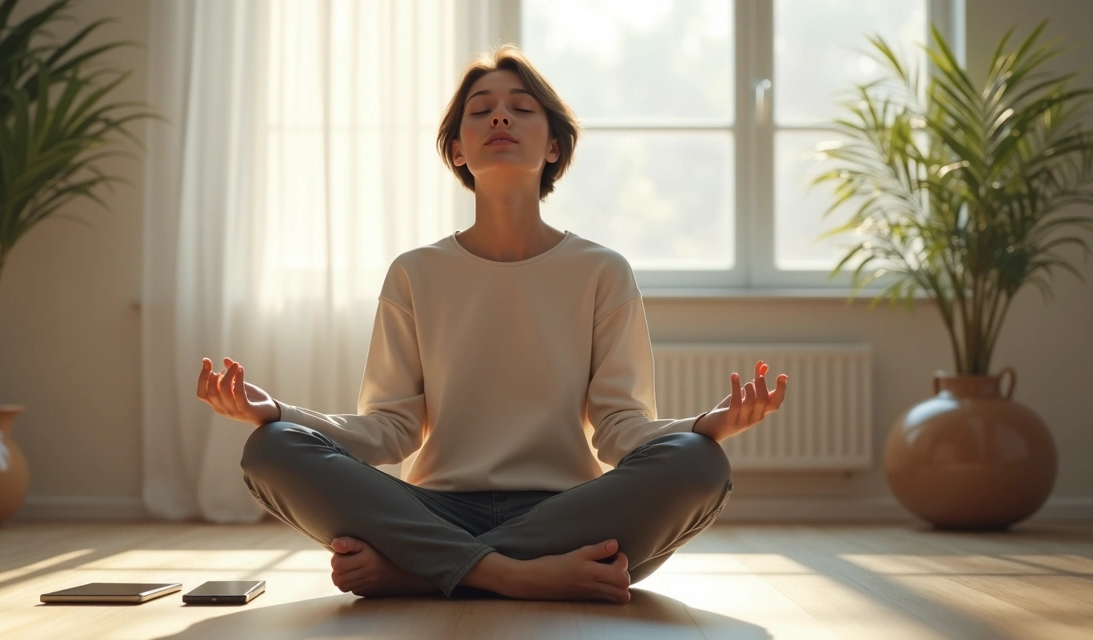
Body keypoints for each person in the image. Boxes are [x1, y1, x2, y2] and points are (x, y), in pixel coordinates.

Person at [196, 44, 788, 604]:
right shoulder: (415, 273)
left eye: (521, 108)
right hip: (434, 510)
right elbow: (390, 430)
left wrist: (704, 424)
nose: (500, 117)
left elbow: (618, 429)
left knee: (699, 462)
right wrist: (277, 413)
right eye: (481, 111)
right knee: (271, 450)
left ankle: (425, 574)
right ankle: (513, 575)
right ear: (457, 150)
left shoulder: (603, 272)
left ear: (553, 146)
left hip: (564, 514)